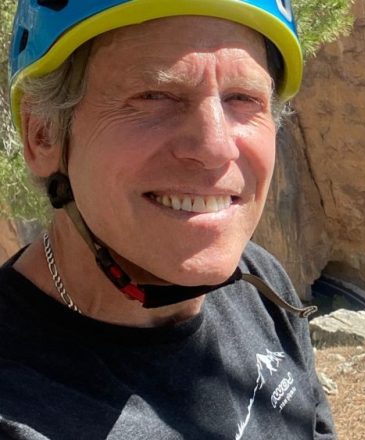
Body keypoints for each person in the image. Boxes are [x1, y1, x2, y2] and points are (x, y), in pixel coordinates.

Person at [0, 1, 336, 439]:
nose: (216, 147)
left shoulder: (261, 284)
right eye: (154, 96)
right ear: (42, 134)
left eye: (244, 98)